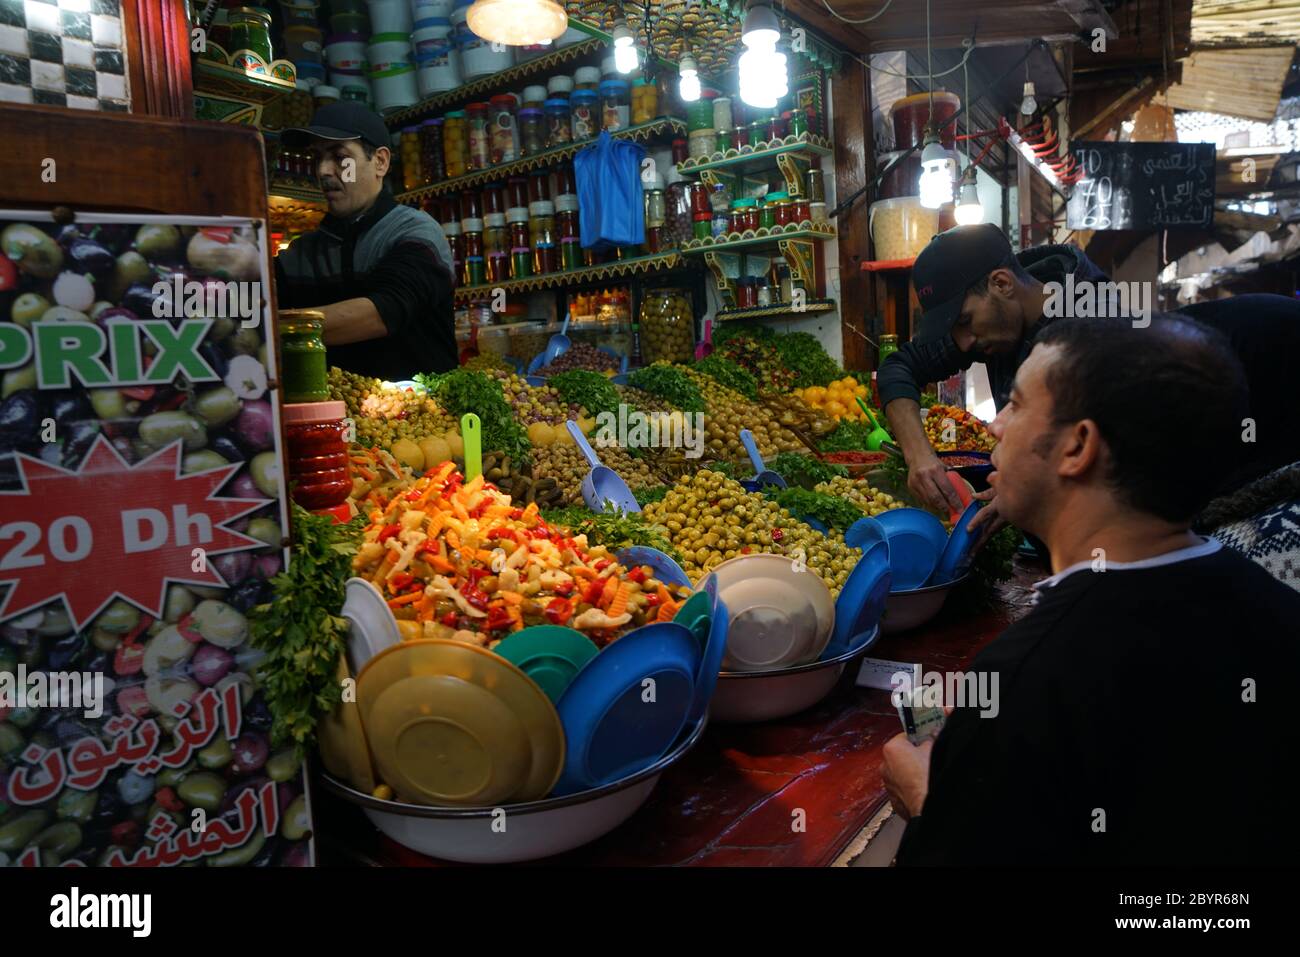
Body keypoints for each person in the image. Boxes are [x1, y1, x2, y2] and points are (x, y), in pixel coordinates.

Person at [881, 317, 1300, 866]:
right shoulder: (1279, 611)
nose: (995, 425)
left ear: (1077, 447)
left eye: (1019, 404)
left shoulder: (1028, 680)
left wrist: (932, 801)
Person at [879, 224, 1300, 533]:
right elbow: (898, 368)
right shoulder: (995, 319)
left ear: (1003, 283)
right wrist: (920, 457)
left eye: (966, 322)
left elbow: (1111, 475)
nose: (965, 343)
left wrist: (1023, 492)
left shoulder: (1093, 330)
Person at [275, 101, 457, 380]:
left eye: (339, 157)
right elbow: (253, 292)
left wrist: (269, 329)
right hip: (336, 419)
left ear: (380, 162)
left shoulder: (413, 231)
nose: (323, 170)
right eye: (317, 158)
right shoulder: (303, 254)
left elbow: (382, 312)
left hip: (424, 416)